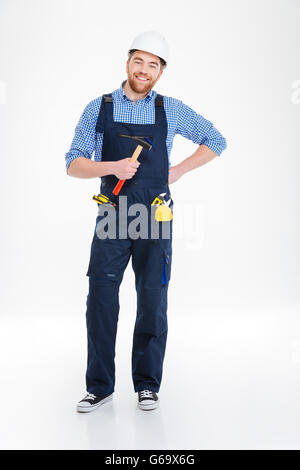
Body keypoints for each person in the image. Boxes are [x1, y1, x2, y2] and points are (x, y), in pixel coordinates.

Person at [65, 31, 227, 413]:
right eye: (139, 61)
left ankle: (147, 385)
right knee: (101, 301)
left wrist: (178, 170)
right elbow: (73, 164)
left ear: (161, 72)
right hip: (112, 214)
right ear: (127, 62)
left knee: (153, 300)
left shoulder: (170, 109)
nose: (144, 69)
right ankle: (99, 386)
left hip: (155, 214)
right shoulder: (98, 108)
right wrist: (113, 167)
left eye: (153, 64)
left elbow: (215, 140)